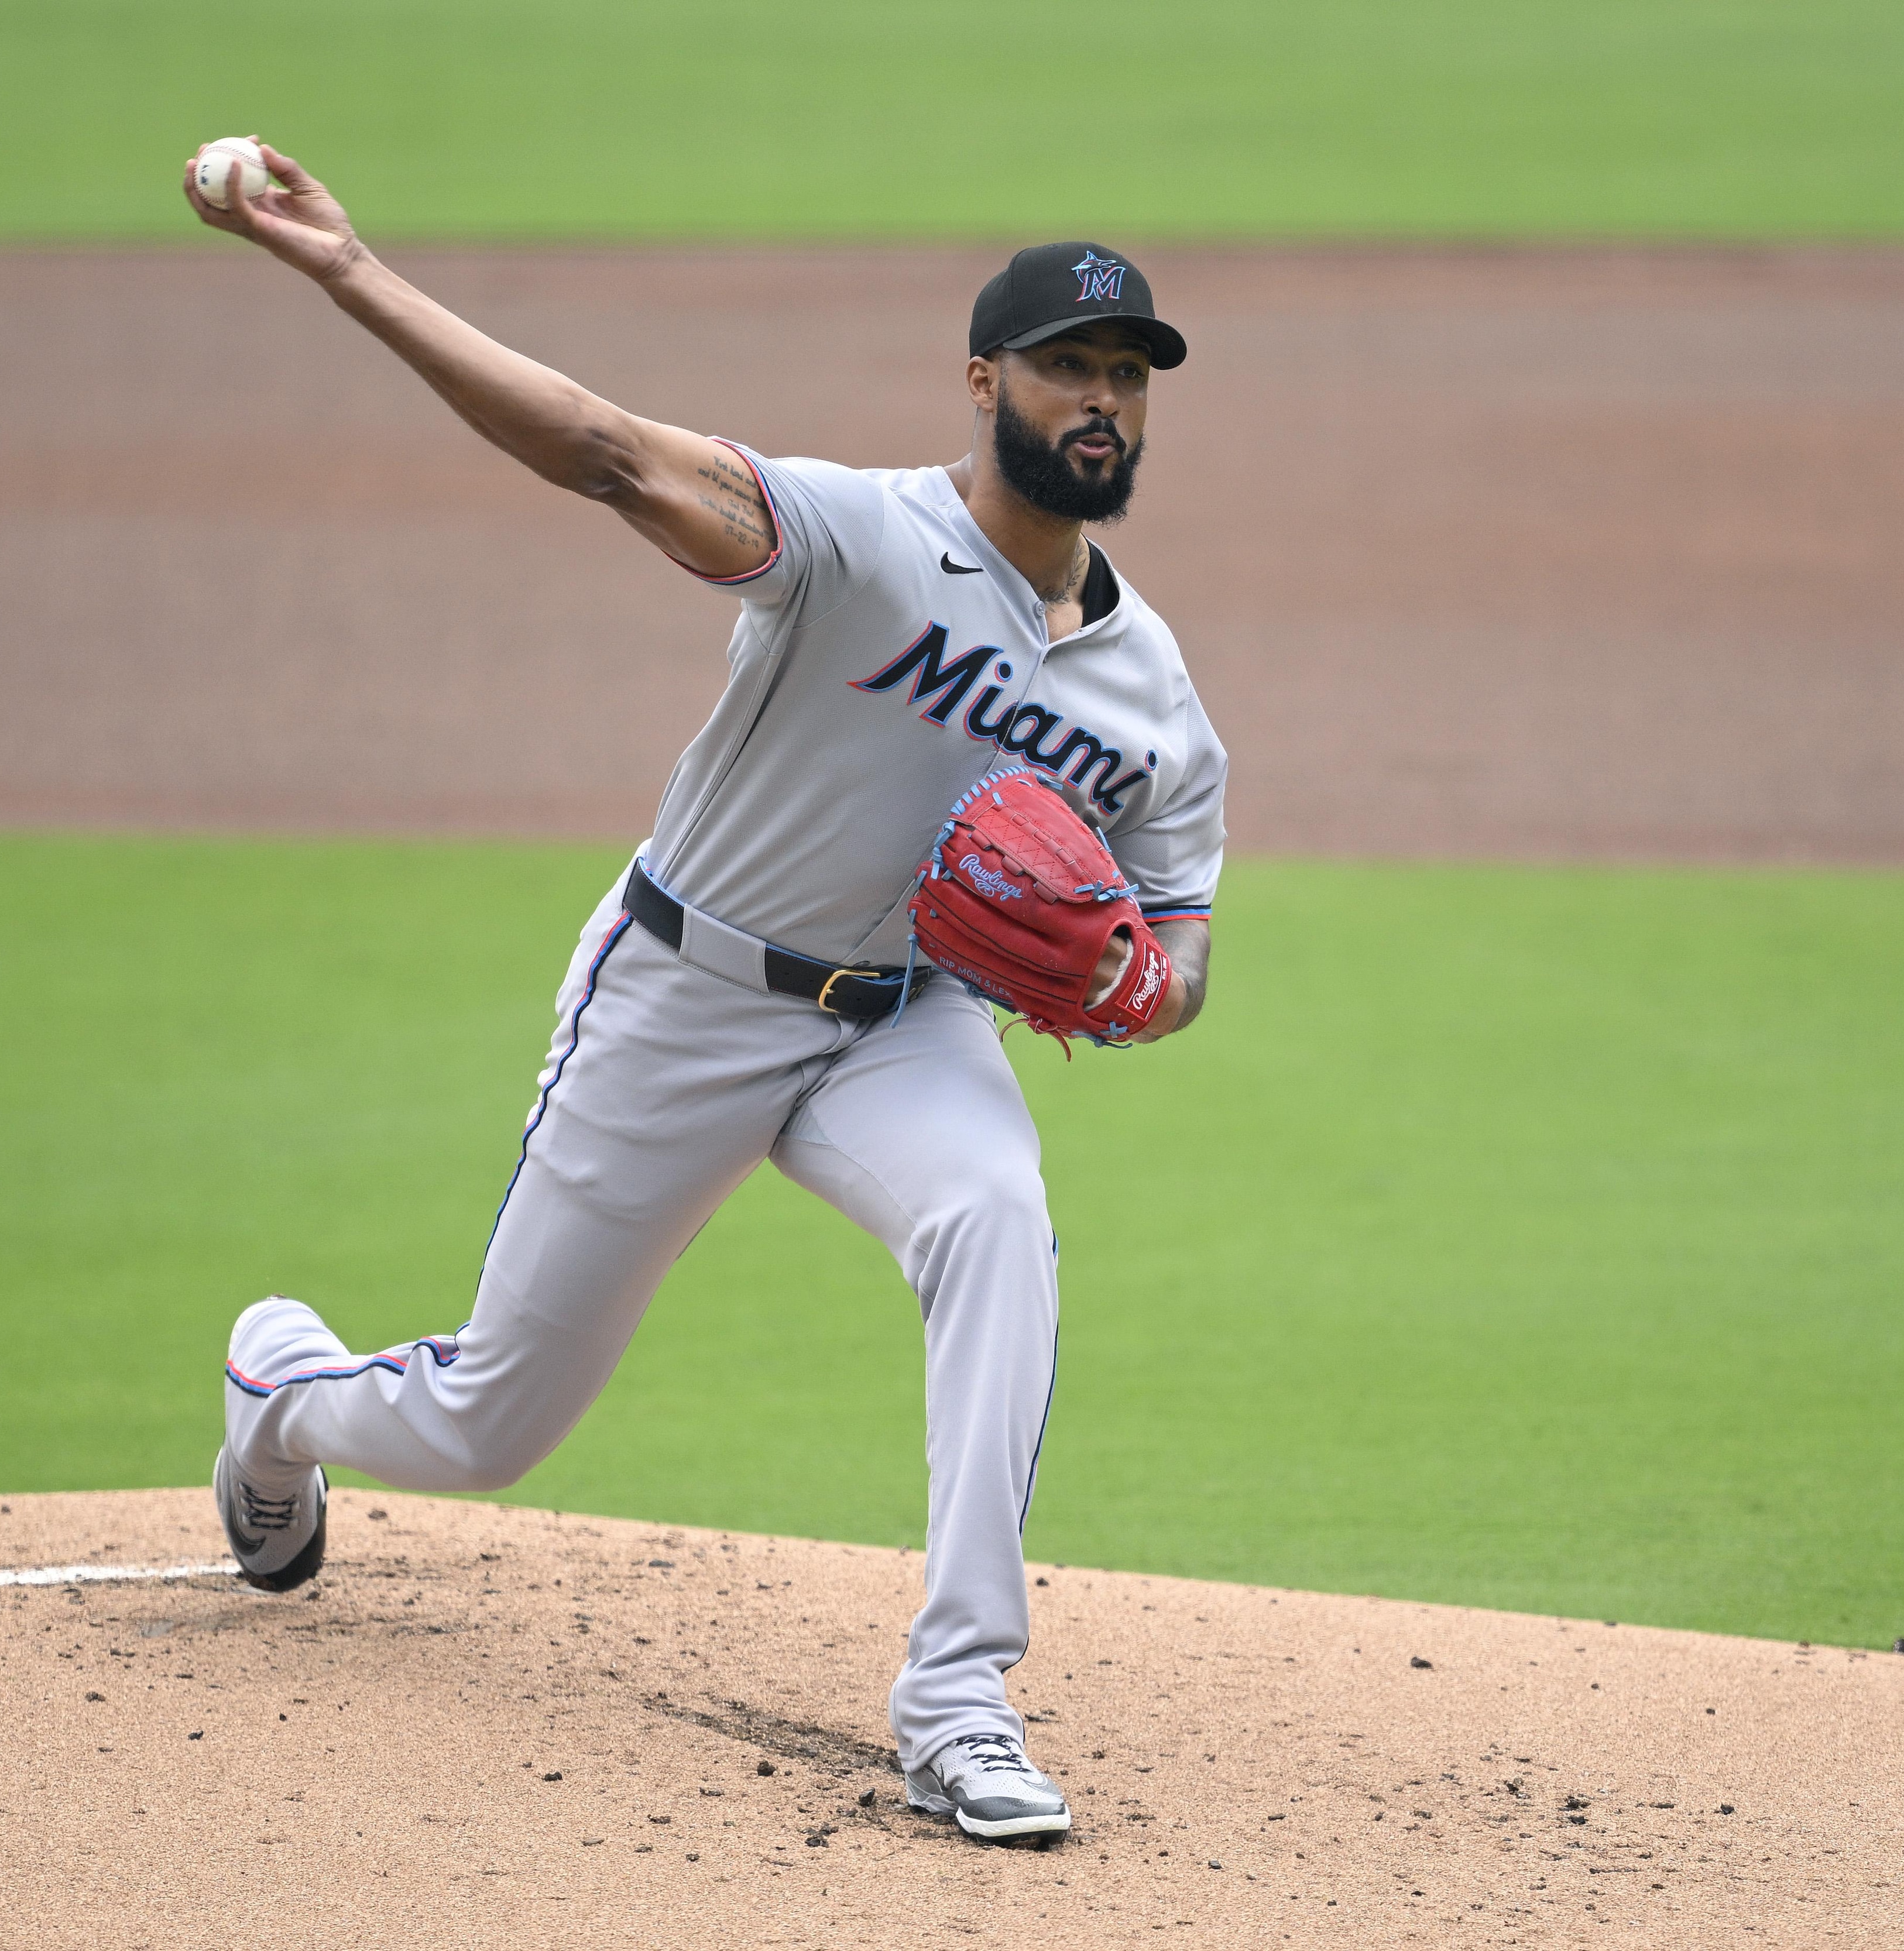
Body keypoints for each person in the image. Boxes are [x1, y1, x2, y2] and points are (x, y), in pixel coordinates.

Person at [183, 142, 1225, 1843]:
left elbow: (1179, 939)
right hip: (687, 992)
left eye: (1126, 376)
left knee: (998, 1220)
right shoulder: (852, 538)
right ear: (986, 383)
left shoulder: (1154, 690)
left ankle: (960, 1696)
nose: (1100, 400)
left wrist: (1136, 985)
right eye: (1068, 366)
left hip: (905, 1026)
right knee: (489, 1426)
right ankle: (281, 1400)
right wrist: (345, 269)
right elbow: (600, 451)